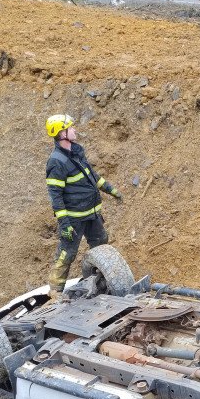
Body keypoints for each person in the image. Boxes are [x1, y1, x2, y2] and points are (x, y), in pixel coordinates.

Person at [44, 114, 122, 293]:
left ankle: (100, 281)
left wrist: (110, 190)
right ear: (61, 134)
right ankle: (55, 293)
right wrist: (64, 224)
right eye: (70, 128)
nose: (74, 130)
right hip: (74, 220)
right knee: (66, 254)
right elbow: (55, 196)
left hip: (92, 214)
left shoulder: (76, 152)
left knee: (102, 244)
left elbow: (91, 176)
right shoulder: (57, 161)